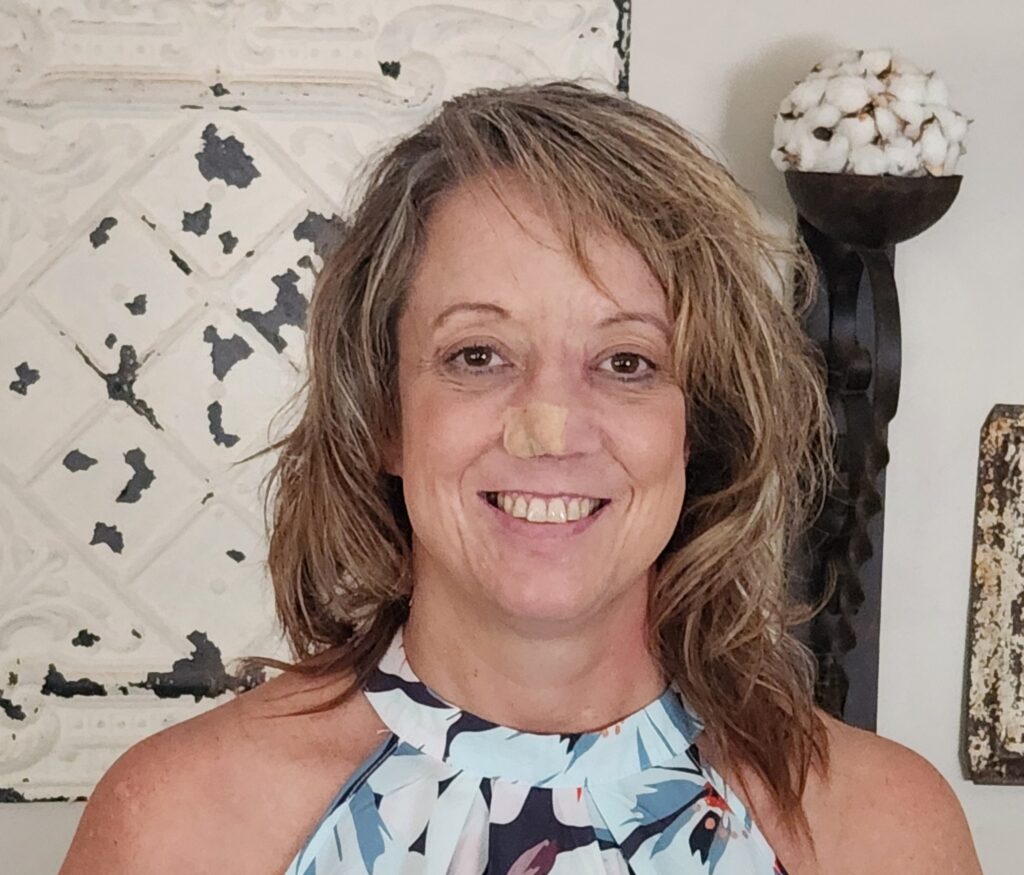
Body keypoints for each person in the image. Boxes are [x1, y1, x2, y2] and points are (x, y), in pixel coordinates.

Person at [58, 80, 982, 874]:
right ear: (383, 415)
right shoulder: (180, 823)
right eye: (478, 354)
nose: (550, 429)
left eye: (626, 361)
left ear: (697, 426)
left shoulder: (882, 829)